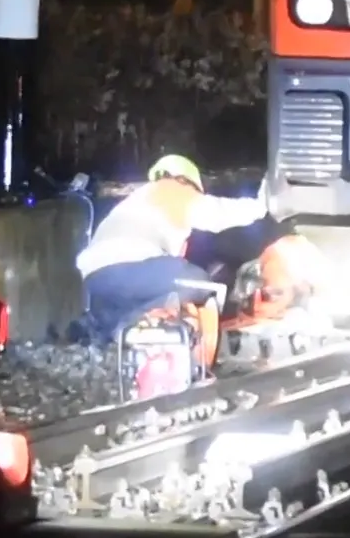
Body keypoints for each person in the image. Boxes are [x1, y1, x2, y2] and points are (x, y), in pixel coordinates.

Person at [76, 154, 268, 377]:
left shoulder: (138, 202)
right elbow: (214, 213)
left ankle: (123, 336)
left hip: (97, 281)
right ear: (186, 181)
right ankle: (183, 351)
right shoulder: (171, 188)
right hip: (128, 267)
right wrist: (262, 207)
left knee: (125, 323)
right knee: (201, 283)